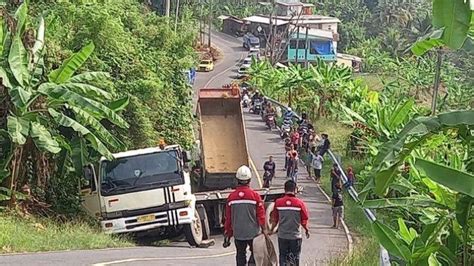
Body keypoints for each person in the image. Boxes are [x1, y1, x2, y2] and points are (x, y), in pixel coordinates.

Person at [225, 165, 266, 266]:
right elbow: (261, 215)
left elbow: (228, 218)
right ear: (249, 180)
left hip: (238, 233)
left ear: (237, 180)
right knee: (255, 253)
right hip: (253, 233)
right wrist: (264, 230)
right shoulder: (255, 196)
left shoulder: (231, 197)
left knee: (240, 254)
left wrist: (228, 234)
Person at [270, 180, 310, 266]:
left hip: (282, 236)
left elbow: (274, 219)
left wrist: (271, 230)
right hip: (295, 237)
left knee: (283, 256)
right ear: (295, 190)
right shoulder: (300, 203)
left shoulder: (278, 202)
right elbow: (304, 219)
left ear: (284, 190)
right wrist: (306, 230)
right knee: (295, 257)